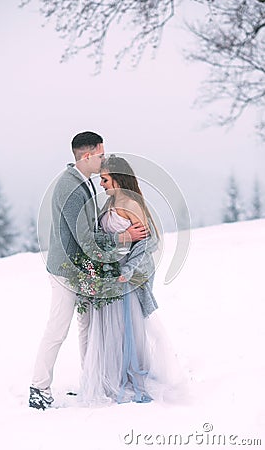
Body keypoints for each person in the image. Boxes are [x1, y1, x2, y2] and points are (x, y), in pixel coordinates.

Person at [29, 132, 148, 410]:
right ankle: (38, 387)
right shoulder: (70, 187)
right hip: (65, 270)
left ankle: (91, 383)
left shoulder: (81, 183)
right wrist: (123, 238)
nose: (103, 159)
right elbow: (85, 237)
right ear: (87, 156)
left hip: (80, 270)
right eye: (101, 154)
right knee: (57, 328)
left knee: (86, 327)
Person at [78, 155, 186, 405]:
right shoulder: (112, 202)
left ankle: (131, 376)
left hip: (125, 276)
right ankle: (114, 375)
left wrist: (127, 268)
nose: (102, 184)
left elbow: (149, 241)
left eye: (105, 179)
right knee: (112, 329)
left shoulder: (131, 203)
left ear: (117, 178)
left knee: (127, 327)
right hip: (110, 274)